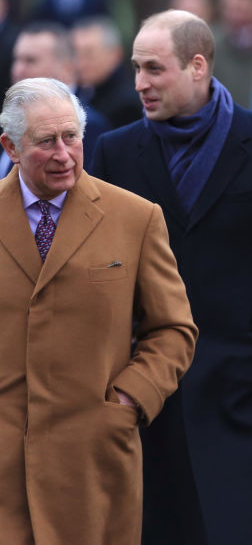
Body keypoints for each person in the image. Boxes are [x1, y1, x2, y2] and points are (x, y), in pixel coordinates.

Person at [90, 10, 252, 545]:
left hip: (243, 391)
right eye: (135, 68)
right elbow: (94, 268)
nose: (139, 84)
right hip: (149, 397)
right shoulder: (113, 151)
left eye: (154, 69)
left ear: (197, 66)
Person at [0, 77, 197, 545]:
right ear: (10, 146)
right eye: (46, 142)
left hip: (93, 463)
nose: (64, 154)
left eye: (72, 137)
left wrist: (128, 401)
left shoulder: (135, 217)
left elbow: (173, 329)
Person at [10, 22, 111, 167]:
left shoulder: (88, 126)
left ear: (67, 68)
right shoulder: (11, 117)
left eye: (30, 61)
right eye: (16, 60)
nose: (18, 70)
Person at [72, 16, 141, 128]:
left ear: (115, 54)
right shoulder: (80, 92)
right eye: (76, 53)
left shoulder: (128, 104)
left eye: (89, 54)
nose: (80, 63)